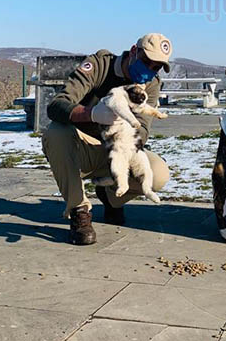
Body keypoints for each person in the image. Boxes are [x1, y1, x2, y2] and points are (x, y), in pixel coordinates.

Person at [42, 33, 173, 245]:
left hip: (117, 147)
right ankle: (79, 211)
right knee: (55, 132)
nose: (149, 70)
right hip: (80, 145)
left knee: (158, 174)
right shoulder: (99, 65)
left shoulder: (151, 84)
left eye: (156, 66)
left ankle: (112, 197)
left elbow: (143, 132)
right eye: (146, 61)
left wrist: (123, 129)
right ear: (133, 52)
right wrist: (91, 114)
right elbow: (56, 105)